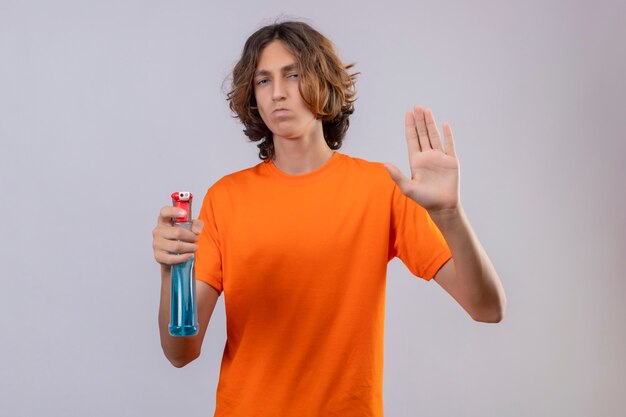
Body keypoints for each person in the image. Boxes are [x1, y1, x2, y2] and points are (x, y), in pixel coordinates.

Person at [152, 20, 506, 417]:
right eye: (263, 81)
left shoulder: (380, 188)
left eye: (294, 74)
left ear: (323, 80)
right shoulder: (225, 199)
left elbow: (487, 308)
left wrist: (450, 215)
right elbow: (181, 353)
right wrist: (171, 272)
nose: (278, 93)